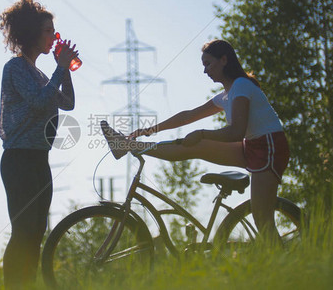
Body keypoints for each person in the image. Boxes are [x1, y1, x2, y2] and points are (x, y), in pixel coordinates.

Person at [101, 39, 289, 243]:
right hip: (253, 146)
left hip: (269, 147)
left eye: (208, 64)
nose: (205, 71)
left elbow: (236, 132)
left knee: (262, 220)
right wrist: (149, 130)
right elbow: (187, 116)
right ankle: (126, 145)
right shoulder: (226, 95)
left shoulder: (241, 86)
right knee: (193, 147)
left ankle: (288, 265)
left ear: (224, 60)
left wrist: (202, 133)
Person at [0, 0, 78, 289]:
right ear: (32, 33)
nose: (54, 37)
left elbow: (66, 102)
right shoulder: (16, 68)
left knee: (36, 232)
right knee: (23, 230)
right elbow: (38, 100)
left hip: (38, 159)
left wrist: (64, 69)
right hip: (18, 159)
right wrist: (59, 68)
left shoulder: (41, 72)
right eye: (48, 31)